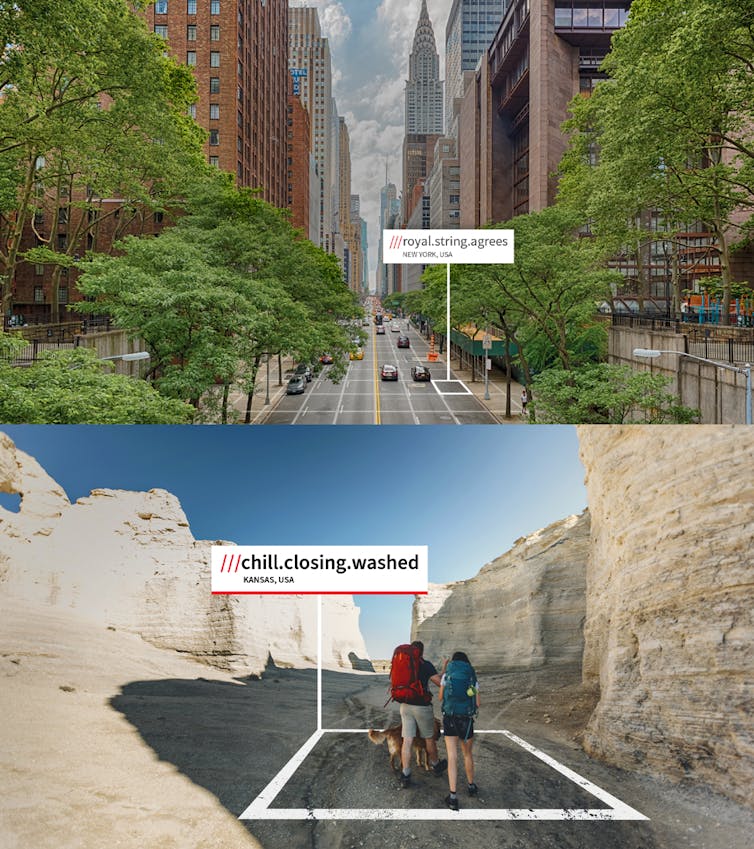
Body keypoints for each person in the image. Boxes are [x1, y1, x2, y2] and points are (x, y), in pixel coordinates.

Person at [398, 640, 447, 788]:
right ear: (422, 651)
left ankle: (405, 774)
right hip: (421, 707)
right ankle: (436, 765)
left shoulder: (404, 665)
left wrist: (442, 670)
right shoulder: (425, 664)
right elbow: (439, 683)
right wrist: (445, 673)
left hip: (405, 705)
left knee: (407, 741)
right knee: (429, 738)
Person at [439, 650, 480, 811]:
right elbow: (477, 703)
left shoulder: (447, 675)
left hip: (450, 718)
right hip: (466, 720)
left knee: (452, 756)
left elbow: (441, 698)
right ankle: (471, 786)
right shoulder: (471, 676)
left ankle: (453, 796)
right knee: (467, 754)